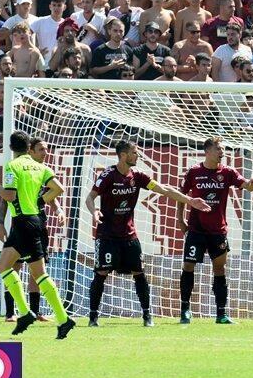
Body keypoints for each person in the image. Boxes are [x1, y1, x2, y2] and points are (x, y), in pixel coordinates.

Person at [85, 139, 210, 327]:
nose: (137, 155)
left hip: (129, 235)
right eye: (134, 152)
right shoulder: (108, 175)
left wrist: (190, 201)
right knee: (101, 272)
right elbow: (90, 197)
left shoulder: (138, 176)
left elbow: (164, 189)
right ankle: (93, 317)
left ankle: (147, 315)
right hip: (107, 236)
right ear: (123, 155)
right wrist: (94, 210)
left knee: (139, 273)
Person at [0, 130, 73, 339]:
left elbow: (9, 196)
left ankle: (36, 314)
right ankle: (52, 317)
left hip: (22, 222)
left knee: (15, 269)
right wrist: (40, 201)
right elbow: (58, 188)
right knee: (24, 270)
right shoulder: (40, 167)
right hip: (34, 221)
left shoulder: (13, 166)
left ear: (11, 148)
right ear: (28, 147)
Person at [177, 137, 253, 325]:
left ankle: (221, 314)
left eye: (223, 149)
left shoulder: (228, 172)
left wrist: (252, 184)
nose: (222, 152)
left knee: (219, 268)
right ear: (207, 151)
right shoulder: (194, 172)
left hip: (218, 231)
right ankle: (185, 310)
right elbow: (181, 196)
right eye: (218, 149)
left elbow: (246, 185)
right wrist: (181, 220)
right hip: (196, 230)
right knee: (188, 266)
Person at [0, 138, 62, 322]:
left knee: (36, 270)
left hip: (38, 225)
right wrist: (1, 223)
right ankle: (11, 312)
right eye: (41, 149)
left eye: (46, 149)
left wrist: (58, 209)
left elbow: (49, 195)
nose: (45, 153)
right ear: (30, 150)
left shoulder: (40, 171)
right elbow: (6, 199)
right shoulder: (23, 169)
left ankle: (35, 311)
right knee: (14, 266)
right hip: (23, 224)